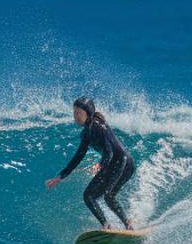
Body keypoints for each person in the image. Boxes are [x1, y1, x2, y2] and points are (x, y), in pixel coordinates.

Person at [46, 97, 136, 230]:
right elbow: (78, 156)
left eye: (78, 113)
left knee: (106, 195)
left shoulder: (99, 126)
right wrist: (60, 177)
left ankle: (118, 224)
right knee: (91, 196)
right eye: (74, 112)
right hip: (112, 163)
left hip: (123, 162)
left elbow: (109, 151)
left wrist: (100, 165)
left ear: (87, 113)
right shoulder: (86, 133)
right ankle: (116, 224)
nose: (75, 116)